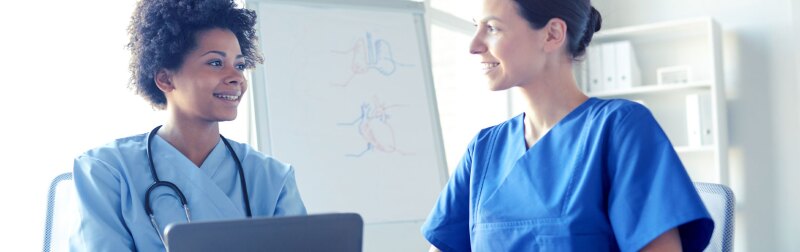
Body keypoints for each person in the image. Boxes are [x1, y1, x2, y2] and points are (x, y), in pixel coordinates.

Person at [421, 0, 714, 251]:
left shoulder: (620, 128)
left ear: (552, 34)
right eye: (475, 27)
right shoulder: (484, 150)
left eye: (492, 28)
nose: (474, 45)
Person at [70, 0, 306, 251]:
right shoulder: (107, 171)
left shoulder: (272, 178)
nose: (237, 78)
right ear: (165, 78)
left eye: (239, 65)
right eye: (216, 63)